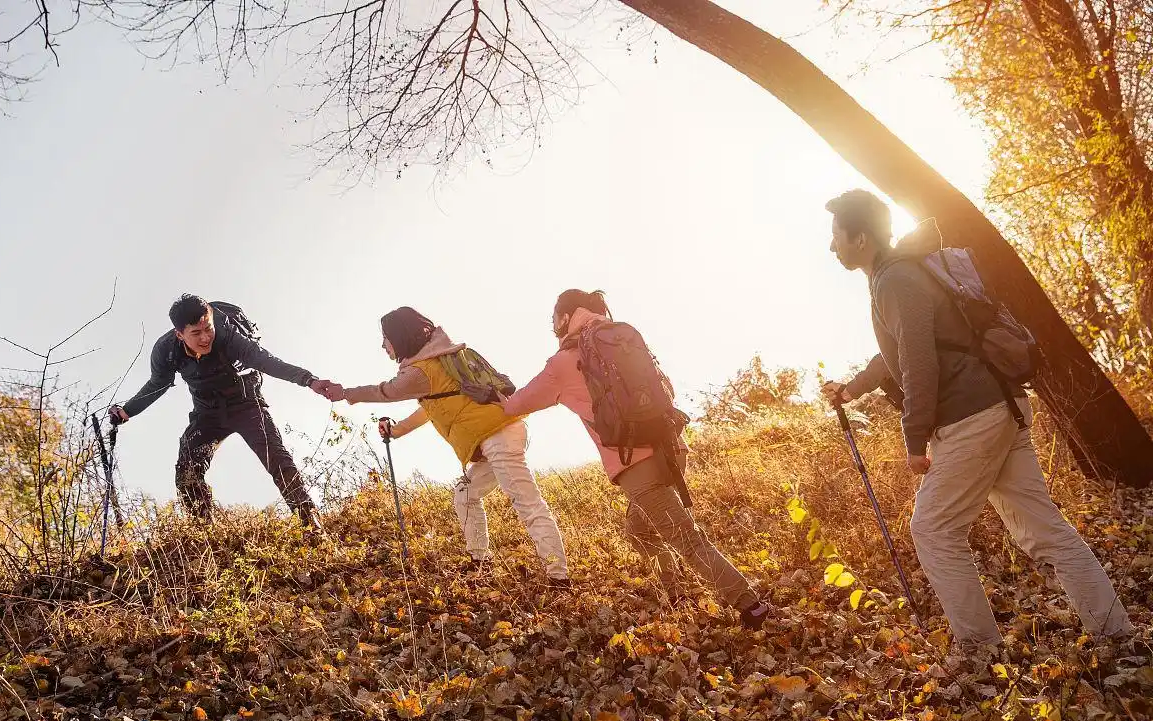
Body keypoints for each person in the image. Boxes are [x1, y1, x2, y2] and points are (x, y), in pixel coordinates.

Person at [821, 189, 1133, 647]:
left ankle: (978, 652)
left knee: (933, 528)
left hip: (973, 417)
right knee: (1046, 529)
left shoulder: (895, 281)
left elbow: (920, 365)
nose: (832, 246)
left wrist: (914, 440)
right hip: (1001, 406)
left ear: (861, 238)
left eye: (836, 236)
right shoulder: (898, 276)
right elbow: (900, 352)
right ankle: (1118, 636)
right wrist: (853, 389)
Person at [497, 289, 772, 631]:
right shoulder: (621, 340)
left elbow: (515, 405)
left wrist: (496, 393)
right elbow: (665, 389)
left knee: (686, 537)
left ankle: (750, 605)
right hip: (671, 447)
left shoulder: (564, 362)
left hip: (634, 464)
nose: (552, 325)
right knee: (639, 529)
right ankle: (675, 592)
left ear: (566, 316)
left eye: (553, 317)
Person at [330, 307, 571, 587]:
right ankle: (480, 560)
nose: (383, 345)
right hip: (499, 433)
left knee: (527, 503)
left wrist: (346, 393)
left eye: (385, 338)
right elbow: (429, 411)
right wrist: (395, 431)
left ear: (399, 336)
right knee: (464, 494)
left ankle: (559, 578)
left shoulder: (421, 371)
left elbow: (386, 392)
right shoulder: (440, 359)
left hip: (497, 435)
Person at [110, 294, 339, 532]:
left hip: (246, 404)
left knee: (278, 459)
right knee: (187, 470)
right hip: (207, 414)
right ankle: (204, 533)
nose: (205, 337)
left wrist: (309, 380)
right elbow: (158, 383)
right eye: (196, 334)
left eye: (208, 328)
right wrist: (127, 411)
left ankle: (310, 523)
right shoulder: (166, 351)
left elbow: (267, 361)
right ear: (180, 334)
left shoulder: (230, 336)